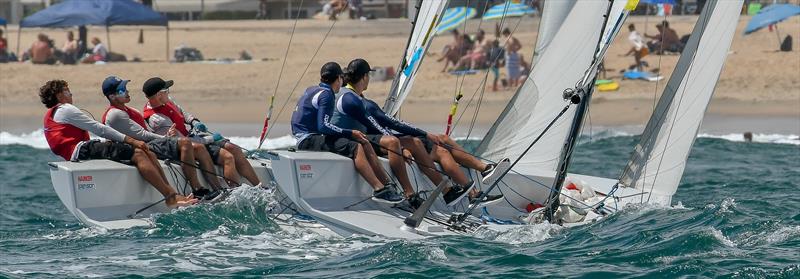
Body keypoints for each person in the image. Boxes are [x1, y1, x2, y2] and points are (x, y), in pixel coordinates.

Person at [334, 58, 508, 207]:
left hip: (384, 138)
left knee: (442, 139)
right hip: (376, 141)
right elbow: (387, 125)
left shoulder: (359, 98)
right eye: (369, 76)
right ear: (365, 77)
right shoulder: (356, 100)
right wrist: (404, 145)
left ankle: (482, 171)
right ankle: (468, 193)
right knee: (437, 148)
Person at [39, 79, 197, 208]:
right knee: (138, 152)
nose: (71, 93)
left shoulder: (55, 113)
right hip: (80, 151)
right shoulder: (65, 109)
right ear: (60, 95)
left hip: (80, 149)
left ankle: (172, 194)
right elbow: (98, 128)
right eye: (67, 91)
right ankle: (170, 197)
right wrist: (130, 140)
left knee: (144, 150)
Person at [291, 62, 404, 204]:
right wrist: (350, 133)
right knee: (355, 147)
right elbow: (323, 126)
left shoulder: (312, 89)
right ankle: (378, 189)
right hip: (308, 139)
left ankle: (387, 186)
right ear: (338, 78)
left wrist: (352, 134)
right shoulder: (327, 95)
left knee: (364, 141)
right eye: (341, 79)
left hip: (306, 137)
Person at [100, 76, 223, 200]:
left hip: (150, 143)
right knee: (185, 142)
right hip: (142, 147)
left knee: (198, 148)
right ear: (112, 97)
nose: (127, 92)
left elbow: (147, 130)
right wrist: (165, 138)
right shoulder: (115, 114)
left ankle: (217, 189)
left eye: (126, 88)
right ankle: (197, 189)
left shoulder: (130, 110)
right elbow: (143, 135)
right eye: (122, 91)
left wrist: (171, 135)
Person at [142, 77, 262, 188]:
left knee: (233, 148)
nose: (169, 92)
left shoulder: (167, 100)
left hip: (192, 137)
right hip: (186, 146)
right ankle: (232, 191)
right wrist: (211, 139)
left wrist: (194, 122)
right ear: (159, 95)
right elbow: (183, 142)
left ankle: (259, 186)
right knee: (228, 157)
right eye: (166, 90)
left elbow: (183, 113)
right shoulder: (156, 120)